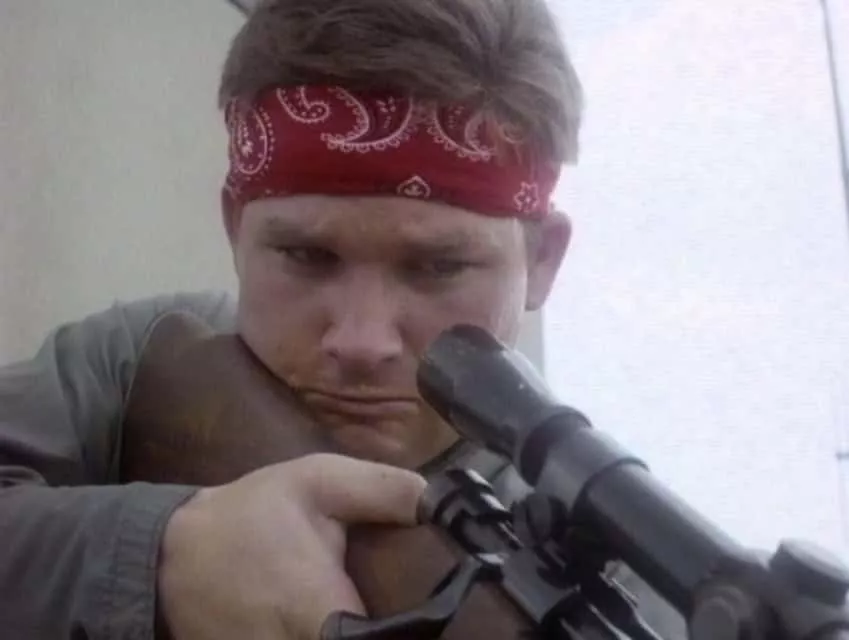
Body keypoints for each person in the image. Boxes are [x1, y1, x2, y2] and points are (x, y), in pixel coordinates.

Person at [0, 0, 684, 638]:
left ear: (542, 261)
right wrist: (161, 558)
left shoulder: (621, 581)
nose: (362, 341)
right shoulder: (138, 361)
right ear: (235, 229)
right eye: (306, 255)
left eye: (438, 266)